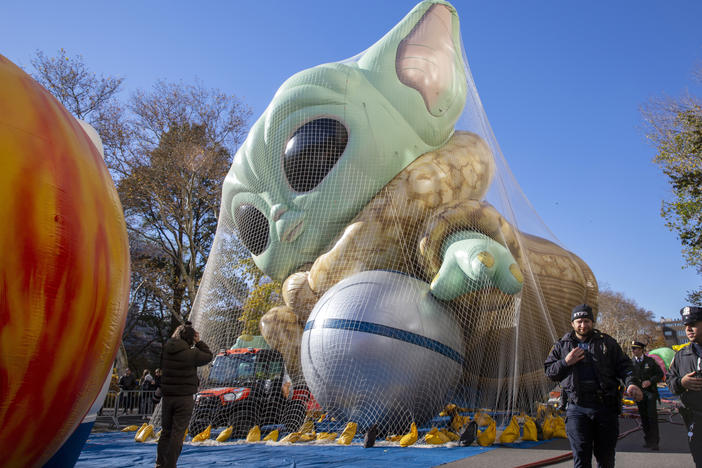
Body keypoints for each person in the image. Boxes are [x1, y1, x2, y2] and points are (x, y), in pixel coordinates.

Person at [544, 304, 643, 468]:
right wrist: (565, 362)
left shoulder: (607, 343)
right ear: (572, 324)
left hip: (605, 407)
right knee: (581, 458)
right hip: (576, 408)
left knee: (606, 459)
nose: (583, 325)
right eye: (579, 321)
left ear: (592, 322)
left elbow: (625, 366)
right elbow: (549, 372)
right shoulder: (561, 345)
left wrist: (631, 384)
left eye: (587, 321)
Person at [156, 322, 212, 468]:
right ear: (191, 338)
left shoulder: (166, 350)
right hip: (184, 397)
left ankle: (160, 463)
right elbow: (208, 356)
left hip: (168, 397)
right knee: (177, 433)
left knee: (166, 432)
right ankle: (170, 464)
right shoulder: (192, 353)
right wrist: (199, 342)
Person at [667, 305, 702, 467]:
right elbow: (670, 382)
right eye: (686, 326)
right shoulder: (681, 355)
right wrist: (682, 382)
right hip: (694, 417)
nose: (688, 329)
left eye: (693, 324)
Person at [630, 340, 663, 450]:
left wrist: (650, 381)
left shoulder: (650, 361)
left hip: (650, 393)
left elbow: (660, 374)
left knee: (652, 418)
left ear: (641, 350)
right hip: (639, 394)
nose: (633, 351)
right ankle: (648, 440)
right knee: (644, 418)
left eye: (635, 349)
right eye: (632, 349)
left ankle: (655, 442)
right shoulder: (631, 363)